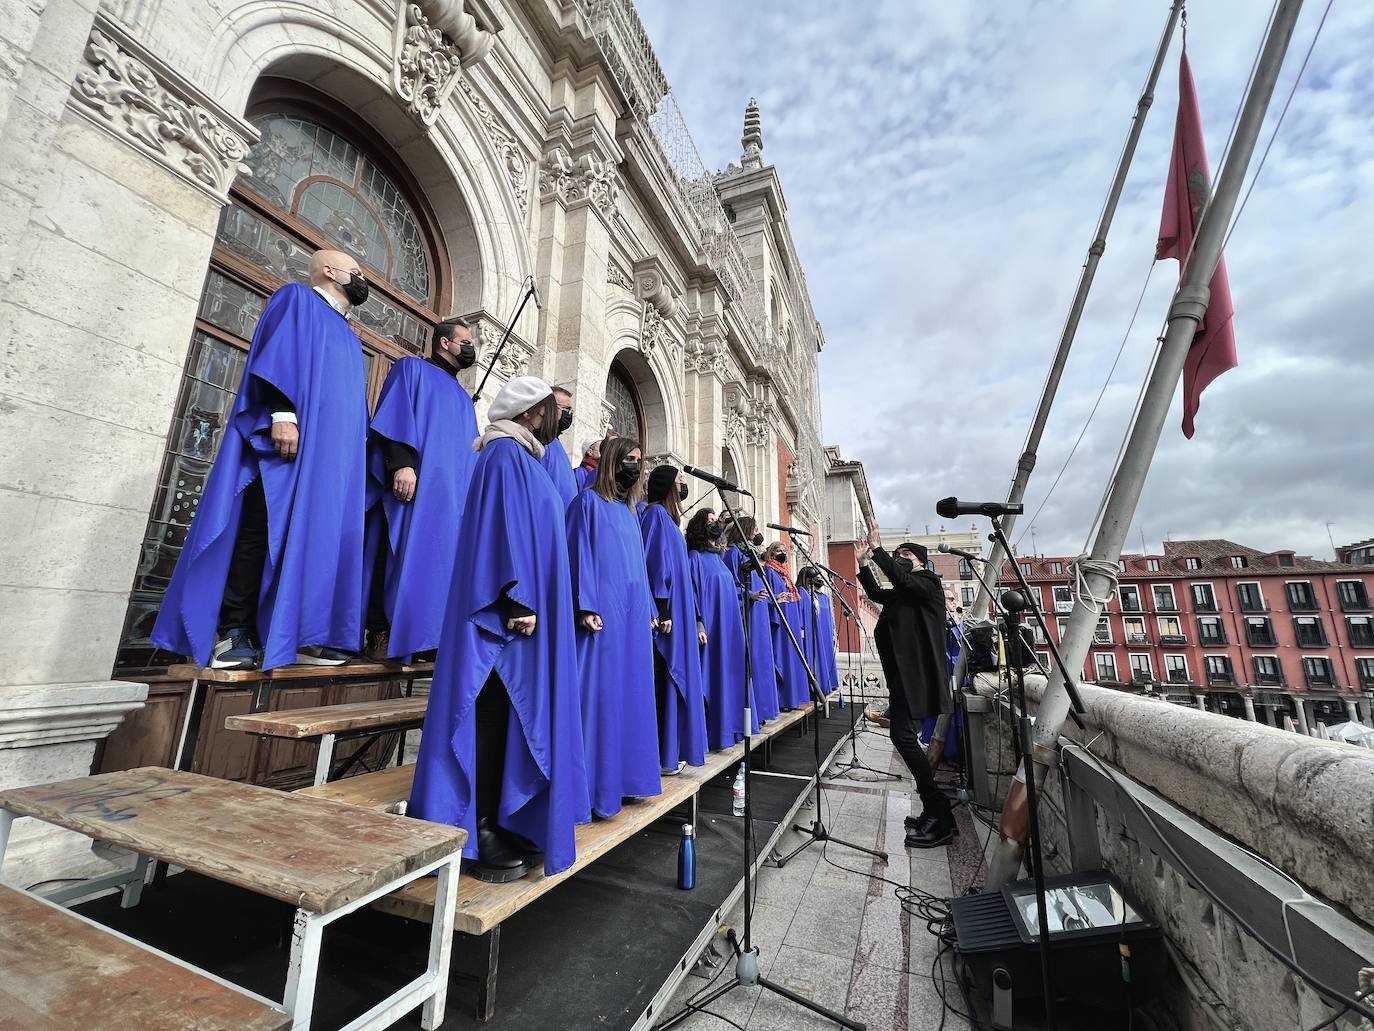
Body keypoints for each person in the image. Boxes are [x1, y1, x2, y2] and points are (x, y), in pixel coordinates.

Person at [152, 249, 369, 671]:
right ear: (329, 271)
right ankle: (234, 631)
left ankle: (301, 633)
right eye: (356, 272)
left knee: (316, 539)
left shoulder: (348, 335)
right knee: (259, 530)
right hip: (287, 446)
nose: (364, 280)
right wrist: (281, 413)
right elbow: (278, 355)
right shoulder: (298, 299)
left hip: (329, 461)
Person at [409, 375, 589, 882]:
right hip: (504, 620)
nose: (559, 418)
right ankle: (477, 823)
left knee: (504, 716)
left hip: (521, 616)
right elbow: (502, 530)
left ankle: (496, 817)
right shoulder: (504, 455)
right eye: (553, 409)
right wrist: (516, 599)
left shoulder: (522, 458)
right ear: (533, 412)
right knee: (487, 712)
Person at [362, 318, 479, 661]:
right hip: (413, 486)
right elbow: (395, 415)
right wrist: (402, 464)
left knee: (439, 565)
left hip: (449, 499)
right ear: (445, 343)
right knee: (394, 553)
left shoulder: (462, 396)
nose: (471, 348)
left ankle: (426, 639)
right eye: (466, 341)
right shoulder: (411, 369)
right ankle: (381, 631)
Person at [564, 436, 661, 818]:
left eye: (639, 461)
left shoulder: (630, 511)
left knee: (631, 695)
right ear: (611, 462)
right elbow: (576, 553)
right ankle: (594, 787)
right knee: (600, 699)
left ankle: (627, 779)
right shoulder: (587, 503)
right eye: (629, 459)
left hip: (633, 619)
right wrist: (584, 604)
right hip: (602, 617)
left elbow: (640, 567)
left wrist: (651, 607)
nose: (634, 467)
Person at [857, 520, 955, 848]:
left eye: (904, 554)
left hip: (920, 679)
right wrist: (862, 563)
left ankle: (938, 810)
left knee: (903, 736)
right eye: (896, 553)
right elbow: (874, 593)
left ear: (919, 561)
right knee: (902, 737)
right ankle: (936, 810)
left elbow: (902, 579)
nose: (898, 558)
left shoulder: (928, 583)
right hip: (903, 680)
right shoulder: (903, 594)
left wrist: (877, 548)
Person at [639, 464, 708, 774]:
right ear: (668, 485)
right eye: (680, 480)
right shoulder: (654, 515)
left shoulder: (668, 520)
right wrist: (662, 608)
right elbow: (655, 562)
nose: (684, 485)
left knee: (668, 683)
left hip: (676, 612)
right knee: (661, 681)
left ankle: (668, 752)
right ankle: (657, 756)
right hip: (664, 615)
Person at [686, 509, 747, 749]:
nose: (714, 525)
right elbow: (690, 594)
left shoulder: (720, 560)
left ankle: (730, 728)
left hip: (728, 631)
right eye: (709, 521)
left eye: (716, 522)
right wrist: (698, 623)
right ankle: (713, 734)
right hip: (709, 630)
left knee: (728, 677)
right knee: (711, 678)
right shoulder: (694, 558)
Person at [722, 517, 779, 725]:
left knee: (762, 660)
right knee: (751, 660)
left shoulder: (753, 555)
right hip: (746, 613)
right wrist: (749, 595)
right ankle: (750, 714)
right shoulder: (733, 554)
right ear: (745, 530)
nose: (757, 533)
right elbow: (728, 585)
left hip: (760, 614)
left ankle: (762, 711)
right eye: (754, 529)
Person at [763, 542, 810, 710]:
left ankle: (793, 697)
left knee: (793, 657)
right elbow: (769, 595)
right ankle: (783, 700)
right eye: (778, 550)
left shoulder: (786, 574)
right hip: (780, 621)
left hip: (791, 619)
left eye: (784, 550)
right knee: (782, 657)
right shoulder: (769, 571)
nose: (782, 553)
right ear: (771, 553)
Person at [799, 567, 841, 699]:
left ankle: (827, 682)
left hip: (823, 631)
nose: (818, 579)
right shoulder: (803, 592)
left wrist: (833, 629)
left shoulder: (821, 596)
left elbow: (829, 615)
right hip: (812, 631)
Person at [538, 385, 579, 507]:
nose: (569, 414)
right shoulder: (540, 443)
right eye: (566, 409)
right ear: (549, 408)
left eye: (570, 410)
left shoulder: (556, 444)